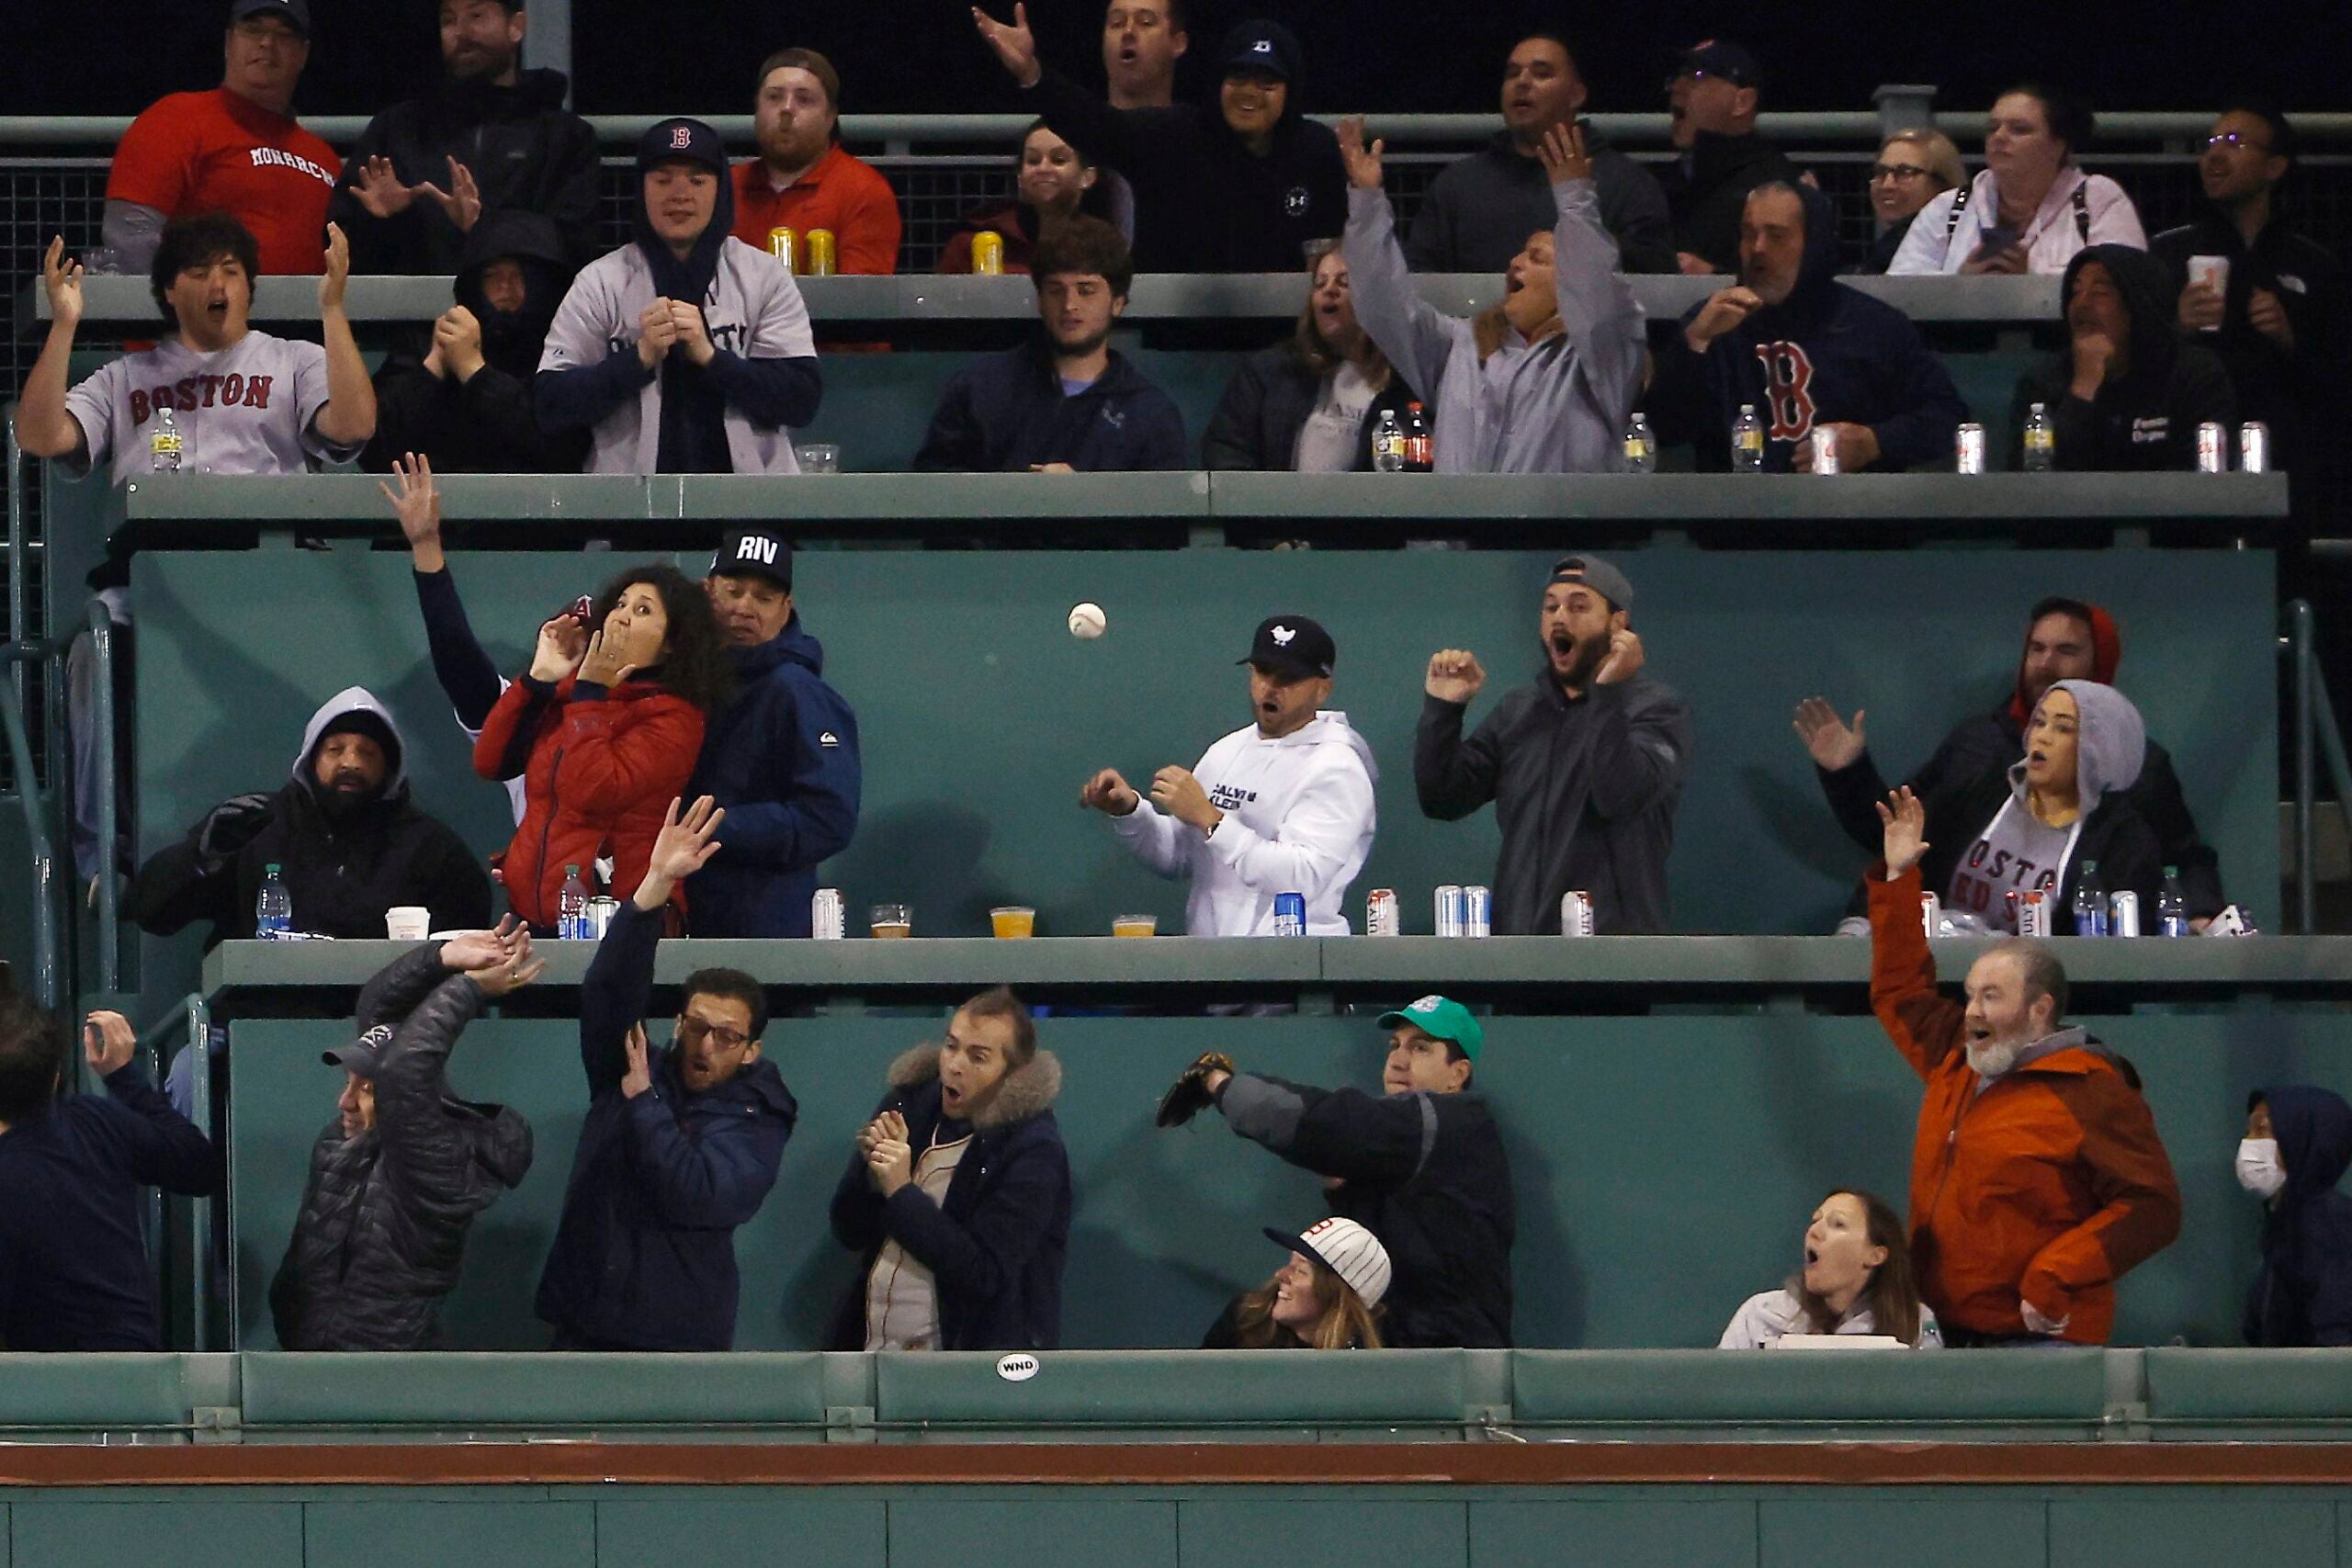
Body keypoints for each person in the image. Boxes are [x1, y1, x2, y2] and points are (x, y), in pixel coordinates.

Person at [1870, 787, 2182, 1345]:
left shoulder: (2092, 1089)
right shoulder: (1958, 1057)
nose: (1970, 1012)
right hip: (1943, 1334)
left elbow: (2153, 1208)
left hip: (2042, 1340)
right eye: (1969, 995)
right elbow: (1900, 990)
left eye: (1991, 996)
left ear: (2039, 1010)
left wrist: (2055, 1273)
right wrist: (1898, 879)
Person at [537, 797, 796, 1351]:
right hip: (584, 1324)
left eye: (726, 1036)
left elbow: (699, 1195)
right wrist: (653, 886)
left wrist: (642, 1104)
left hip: (676, 1341)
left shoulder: (760, 1115)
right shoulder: (633, 1067)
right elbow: (608, 993)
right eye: (696, 1026)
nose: (705, 1045)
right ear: (678, 1022)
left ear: (752, 1050)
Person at [1797, 596, 2225, 925]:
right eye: (2036, 648)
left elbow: (2184, 859)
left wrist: (2202, 914)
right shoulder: (1978, 745)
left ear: (2102, 663)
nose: (2045, 664)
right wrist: (1847, 772)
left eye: (2065, 650)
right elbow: (1894, 835)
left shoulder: (2139, 769)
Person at [1158, 996, 1513, 1348]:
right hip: (1404, 1357)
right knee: (1249, 1319)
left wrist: (1220, 1084)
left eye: (1421, 1048)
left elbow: (1324, 1126)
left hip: (1454, 1368)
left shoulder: (1454, 1123)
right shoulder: (1409, 1147)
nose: (1398, 1061)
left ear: (1458, 1074)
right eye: (1394, 1046)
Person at [268, 923, 540, 1351]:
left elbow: (401, 1072)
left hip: (383, 1372)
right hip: (306, 1359)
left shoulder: (436, 1160)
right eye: (348, 1081)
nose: (345, 1102)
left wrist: (469, 989)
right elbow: (376, 1008)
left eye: (367, 1088)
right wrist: (444, 956)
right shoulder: (349, 1137)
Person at [1336, 117, 1643, 475]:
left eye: (1536, 257)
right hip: (1457, 530)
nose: (1514, 263)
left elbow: (1599, 295)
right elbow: (1381, 303)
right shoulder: (1460, 346)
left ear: (1571, 283)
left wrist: (1575, 200)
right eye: (1520, 254)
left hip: (1555, 530)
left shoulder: (1604, 359)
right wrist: (1367, 201)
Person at [1417, 556, 1690, 935]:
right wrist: (1444, 710)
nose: (1560, 617)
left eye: (1579, 606)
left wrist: (1606, 694)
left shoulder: (1655, 709)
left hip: (1614, 958)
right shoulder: (1519, 711)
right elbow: (1442, 798)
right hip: (1521, 952)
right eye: (1551, 607)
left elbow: (1619, 795)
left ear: (1618, 623)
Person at [537, 118, 822, 475]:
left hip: (752, 506)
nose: (680, 194)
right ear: (641, 188)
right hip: (629, 509)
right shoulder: (601, 281)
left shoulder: (763, 276)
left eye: (697, 180)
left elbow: (801, 399)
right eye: (662, 179)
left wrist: (712, 358)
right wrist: (637, 359)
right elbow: (551, 403)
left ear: (721, 190)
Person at [975, 9, 1346, 273]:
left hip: (1283, 347)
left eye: (1267, 82)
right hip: (1175, 342)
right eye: (1237, 78)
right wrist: (1032, 74)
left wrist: (1367, 194)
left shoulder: (1316, 150)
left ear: (1291, 91)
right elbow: (1099, 127)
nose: (1249, 93)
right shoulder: (1178, 136)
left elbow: (1333, 252)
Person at [124, 687, 492, 948]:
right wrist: (203, 859)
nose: (351, 763)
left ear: (390, 767)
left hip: (390, 1031)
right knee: (191, 1063)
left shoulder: (431, 847)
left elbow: (467, 950)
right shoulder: (252, 825)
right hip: (255, 1023)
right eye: (335, 750)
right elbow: (153, 915)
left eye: (367, 752)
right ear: (311, 760)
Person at [16, 216, 373, 485]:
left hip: (271, 554)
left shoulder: (295, 361)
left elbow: (353, 426)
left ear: (248, 288)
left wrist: (332, 309)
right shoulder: (122, 378)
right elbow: (39, 437)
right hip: (151, 561)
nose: (217, 285)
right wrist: (64, 325)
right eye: (200, 273)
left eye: (231, 272)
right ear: (170, 290)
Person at [472, 564, 730, 931]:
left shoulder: (675, 719)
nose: (622, 618)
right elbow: (490, 762)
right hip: (535, 916)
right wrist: (538, 678)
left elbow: (593, 790)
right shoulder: (574, 695)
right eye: (620, 604)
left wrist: (590, 695)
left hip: (620, 920)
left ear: (671, 641)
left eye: (643, 611)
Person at [1083, 615, 1375, 937]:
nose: (1271, 688)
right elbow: (1180, 856)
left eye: (1288, 677)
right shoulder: (1227, 750)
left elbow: (1301, 877)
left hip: (1295, 967)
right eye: (1263, 672)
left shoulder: (1337, 767)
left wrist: (1212, 819)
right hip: (1215, 966)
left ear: (1322, 690)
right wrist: (1130, 813)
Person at [1651, 182, 1966, 473]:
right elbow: (1661, 430)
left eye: (1776, 235)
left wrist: (1874, 442)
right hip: (1739, 521)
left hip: (1852, 520)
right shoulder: (1711, 324)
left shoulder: (1874, 326)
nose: (1758, 248)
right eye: (1749, 233)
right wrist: (1694, 344)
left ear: (1813, 244)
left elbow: (1947, 418)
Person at [830, 989, 1070, 1352]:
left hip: (966, 1367)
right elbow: (848, 1230)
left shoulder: (1034, 1150)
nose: (955, 1065)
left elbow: (985, 1274)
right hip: (872, 1349)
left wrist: (900, 1191)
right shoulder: (908, 1104)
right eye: (951, 1046)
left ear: (1013, 1074)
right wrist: (871, 1176)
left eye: (978, 1057)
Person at [0, 1002, 218, 1351]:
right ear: (56, 1077)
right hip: (137, 1381)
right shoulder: (94, 1121)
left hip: (39, 1393)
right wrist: (123, 1077)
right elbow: (198, 1165)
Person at [328, 0, 599, 277]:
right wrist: (380, 221)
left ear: (516, 27)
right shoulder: (397, 129)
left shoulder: (566, 137)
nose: (461, 32)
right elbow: (342, 253)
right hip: (418, 316)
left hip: (526, 319)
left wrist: (483, 228)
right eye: (449, 20)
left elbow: (575, 249)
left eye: (476, 15)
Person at [2152, 106, 2348, 484]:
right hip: (2189, 450)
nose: (2214, 155)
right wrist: (2179, 327)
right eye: (2210, 143)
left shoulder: (2313, 263)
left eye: (2234, 143)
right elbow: (2138, 365)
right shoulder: (2168, 252)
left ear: (2275, 167)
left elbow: (2336, 375)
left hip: (2288, 456)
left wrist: (2289, 339)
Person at [685, 527, 863, 938]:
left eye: (764, 598)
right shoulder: (677, 679)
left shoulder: (797, 691)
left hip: (765, 928)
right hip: (677, 916)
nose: (746, 608)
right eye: (734, 591)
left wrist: (712, 827)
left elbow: (828, 818)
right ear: (707, 591)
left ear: (786, 609)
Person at [914, 215, 1186, 472]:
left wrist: (1082, 498)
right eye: (1056, 290)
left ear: (1117, 303)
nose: (1069, 305)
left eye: (1086, 290)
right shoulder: (979, 387)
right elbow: (935, 487)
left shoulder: (1150, 414)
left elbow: (1162, 514)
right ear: (1040, 301)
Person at [1406, 34, 1676, 276]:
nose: (1522, 82)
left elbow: (1657, 270)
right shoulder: (1457, 185)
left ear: (1575, 95)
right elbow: (1421, 277)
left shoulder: (1625, 182)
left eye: (1542, 74)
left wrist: (1594, 246)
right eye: (1512, 74)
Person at [101, 0, 337, 276]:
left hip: (311, 315)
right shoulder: (176, 118)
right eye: (253, 29)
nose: (267, 43)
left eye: (284, 34)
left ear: (303, 54)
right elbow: (128, 241)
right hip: (201, 316)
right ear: (229, 42)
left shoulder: (325, 158)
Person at [360, 211, 590, 474]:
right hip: (432, 506)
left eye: (519, 275)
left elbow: (562, 450)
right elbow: (372, 447)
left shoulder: (565, 350)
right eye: (492, 276)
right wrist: (433, 368)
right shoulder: (427, 344)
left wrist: (474, 371)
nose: (505, 287)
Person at [2007, 246, 2236, 471]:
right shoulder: (2042, 383)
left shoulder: (2194, 375)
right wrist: (2083, 390)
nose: (2081, 303)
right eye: (2075, 292)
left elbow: (2206, 480)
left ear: (2138, 305)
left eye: (2100, 292)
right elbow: (2036, 484)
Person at [1889, 85, 2145, 276]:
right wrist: (1960, 283)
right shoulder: (1949, 207)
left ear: (2059, 144)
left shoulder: (2097, 199)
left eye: (2019, 129)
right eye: (1993, 128)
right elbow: (1899, 287)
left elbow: (2126, 283)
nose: (1999, 137)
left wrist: (2030, 277)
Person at [1202, 245, 1419, 471]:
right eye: (1320, 283)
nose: (1329, 290)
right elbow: (1227, 451)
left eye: (1344, 282)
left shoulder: (1407, 386)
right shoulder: (1269, 372)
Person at [729, 49, 903, 275]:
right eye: (774, 97)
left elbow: (863, 300)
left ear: (830, 117)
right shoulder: (726, 187)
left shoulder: (864, 190)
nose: (786, 109)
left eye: (804, 99)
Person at [1719, 1190, 1941, 1348]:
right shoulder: (1759, 1316)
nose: (1815, 1231)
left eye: (1838, 1224)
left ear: (1875, 1255)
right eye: (1815, 1220)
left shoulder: (1915, 1323)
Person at [1656, 39, 1800, 276]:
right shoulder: (1663, 184)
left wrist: (1715, 278)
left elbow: (1793, 283)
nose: (1676, 87)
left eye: (1696, 76)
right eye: (1676, 77)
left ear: (1742, 102)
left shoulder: (1777, 184)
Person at [2240, 1088, 2352, 1348]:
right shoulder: (2284, 1224)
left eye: (2262, 1131)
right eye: (2249, 1132)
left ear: (2302, 1138)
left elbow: (2339, 1344)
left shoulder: (2328, 1225)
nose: (2249, 1143)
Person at [935, 119, 1118, 276]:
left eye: (1058, 160)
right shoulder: (972, 240)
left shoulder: (1104, 245)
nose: (1043, 168)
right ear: (1020, 178)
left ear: (1087, 177)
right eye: (1033, 160)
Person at [1203, 1216, 1390, 1349]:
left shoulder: (1360, 1374)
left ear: (1336, 1297)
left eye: (1300, 1271)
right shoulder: (1245, 1318)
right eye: (1290, 1263)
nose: (1281, 1274)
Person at [1857, 129, 1965, 274]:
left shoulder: (1962, 247)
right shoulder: (1882, 250)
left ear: (1942, 184)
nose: (1887, 185)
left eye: (1905, 172)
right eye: (1881, 173)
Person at [1102, 0, 1187, 109]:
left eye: (1145, 23)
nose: (1128, 31)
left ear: (1178, 43)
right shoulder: (1079, 122)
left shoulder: (1201, 125)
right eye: (1117, 23)